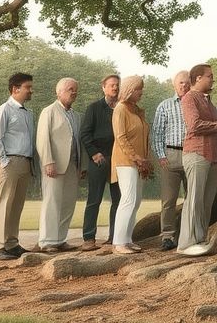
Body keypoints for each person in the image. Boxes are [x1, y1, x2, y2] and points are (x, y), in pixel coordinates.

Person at [178, 63, 217, 256]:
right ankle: (186, 244)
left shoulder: (209, 102)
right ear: (197, 79)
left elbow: (216, 131)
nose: (213, 79)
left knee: (206, 200)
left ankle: (200, 239)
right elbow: (195, 125)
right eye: (209, 76)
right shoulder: (189, 98)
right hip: (196, 154)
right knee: (194, 199)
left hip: (212, 157)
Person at [0, 72, 35, 260]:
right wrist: (4, 161)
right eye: (28, 87)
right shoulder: (4, 110)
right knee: (4, 202)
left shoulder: (28, 113)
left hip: (25, 162)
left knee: (16, 205)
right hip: (9, 161)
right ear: (15, 89)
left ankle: (12, 243)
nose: (31, 91)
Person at [36, 77, 83, 252]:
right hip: (54, 165)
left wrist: (81, 166)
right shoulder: (49, 111)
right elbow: (42, 139)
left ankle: (60, 239)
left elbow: (78, 141)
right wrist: (48, 161)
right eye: (70, 89)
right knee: (52, 202)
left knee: (68, 203)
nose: (74, 92)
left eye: (75, 89)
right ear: (59, 91)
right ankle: (47, 241)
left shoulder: (76, 115)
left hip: (72, 165)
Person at [111, 76, 152, 254]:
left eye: (141, 89)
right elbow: (121, 138)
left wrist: (144, 160)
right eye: (137, 89)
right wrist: (136, 157)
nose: (140, 92)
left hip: (139, 161)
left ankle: (127, 239)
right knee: (127, 199)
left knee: (135, 201)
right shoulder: (120, 109)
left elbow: (144, 137)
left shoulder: (136, 110)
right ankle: (118, 242)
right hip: (125, 161)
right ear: (129, 90)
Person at [149, 71, 190, 250]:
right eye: (181, 83)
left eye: (187, 83)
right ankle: (167, 236)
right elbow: (157, 133)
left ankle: (188, 234)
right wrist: (161, 155)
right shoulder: (165, 105)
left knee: (192, 198)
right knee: (168, 200)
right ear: (174, 85)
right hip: (170, 155)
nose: (184, 86)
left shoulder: (196, 104)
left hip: (192, 154)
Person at [79, 74, 120, 251]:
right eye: (111, 85)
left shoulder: (122, 108)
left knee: (118, 200)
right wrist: (94, 153)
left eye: (117, 85)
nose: (115, 88)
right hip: (99, 159)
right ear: (103, 87)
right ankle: (89, 238)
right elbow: (84, 134)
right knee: (94, 200)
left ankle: (115, 236)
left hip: (118, 160)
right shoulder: (94, 108)